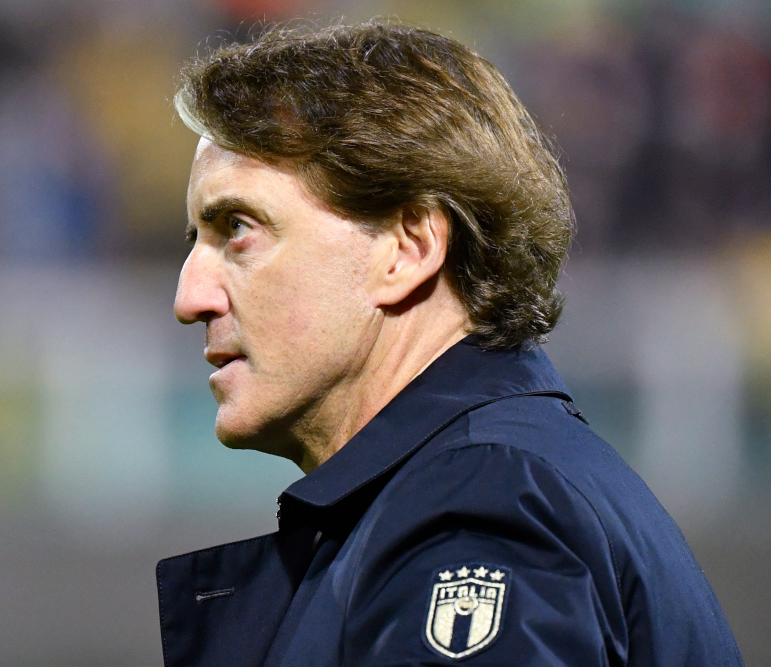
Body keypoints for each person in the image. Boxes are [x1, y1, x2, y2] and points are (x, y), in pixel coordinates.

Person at [156, 20, 742, 667]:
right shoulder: (483, 484)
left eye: (237, 227)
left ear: (409, 247)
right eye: (194, 242)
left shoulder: (479, 509)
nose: (190, 297)